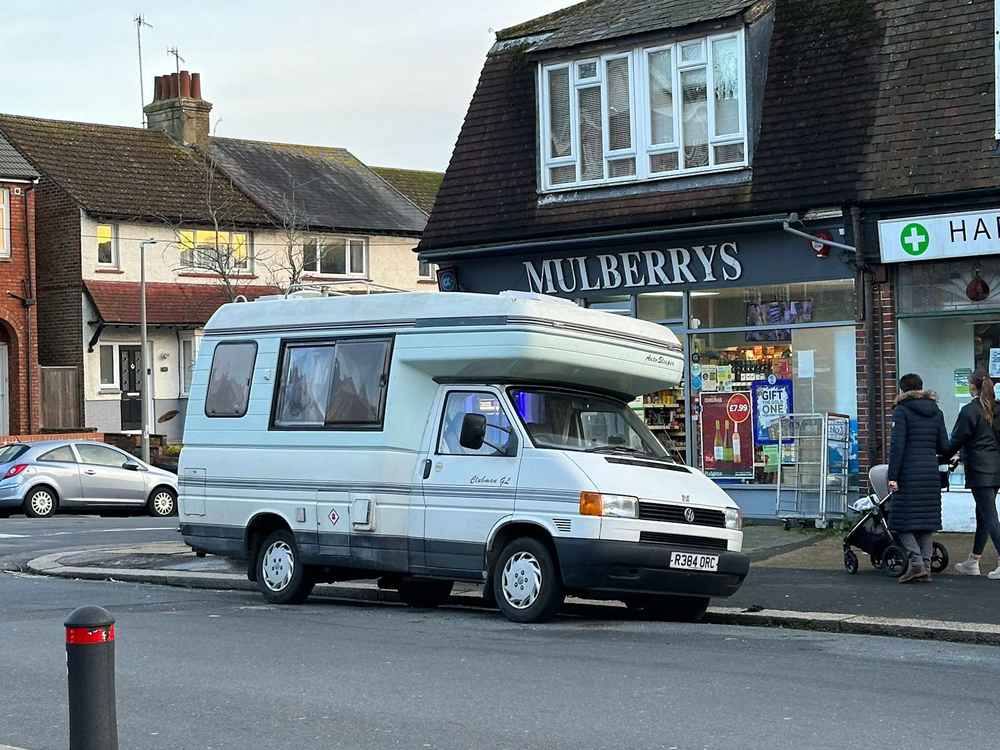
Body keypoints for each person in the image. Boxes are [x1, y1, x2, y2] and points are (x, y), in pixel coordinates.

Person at [887, 373, 949, 583]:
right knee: (926, 523)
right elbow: (944, 445)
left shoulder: (901, 411)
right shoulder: (936, 411)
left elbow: (897, 447)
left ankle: (916, 565)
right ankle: (926, 567)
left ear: (902, 390)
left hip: (908, 474)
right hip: (930, 473)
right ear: (921, 388)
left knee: (900, 522)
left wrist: (892, 476)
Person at [947, 368, 1000, 578]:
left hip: (980, 469)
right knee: (983, 515)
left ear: (972, 386)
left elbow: (957, 438)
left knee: (989, 515)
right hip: (996, 467)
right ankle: (974, 560)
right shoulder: (995, 408)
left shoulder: (970, 411)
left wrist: (945, 454)